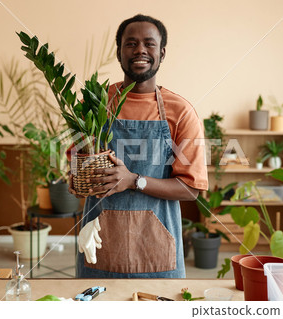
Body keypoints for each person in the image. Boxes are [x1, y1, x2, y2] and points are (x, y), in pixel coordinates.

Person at [71, 14, 208, 278]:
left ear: (162, 52)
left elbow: (191, 190)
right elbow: (78, 165)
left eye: (149, 43)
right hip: (100, 244)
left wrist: (134, 180)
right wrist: (77, 180)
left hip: (157, 249)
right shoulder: (95, 104)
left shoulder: (180, 112)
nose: (140, 50)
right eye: (131, 43)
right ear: (119, 52)